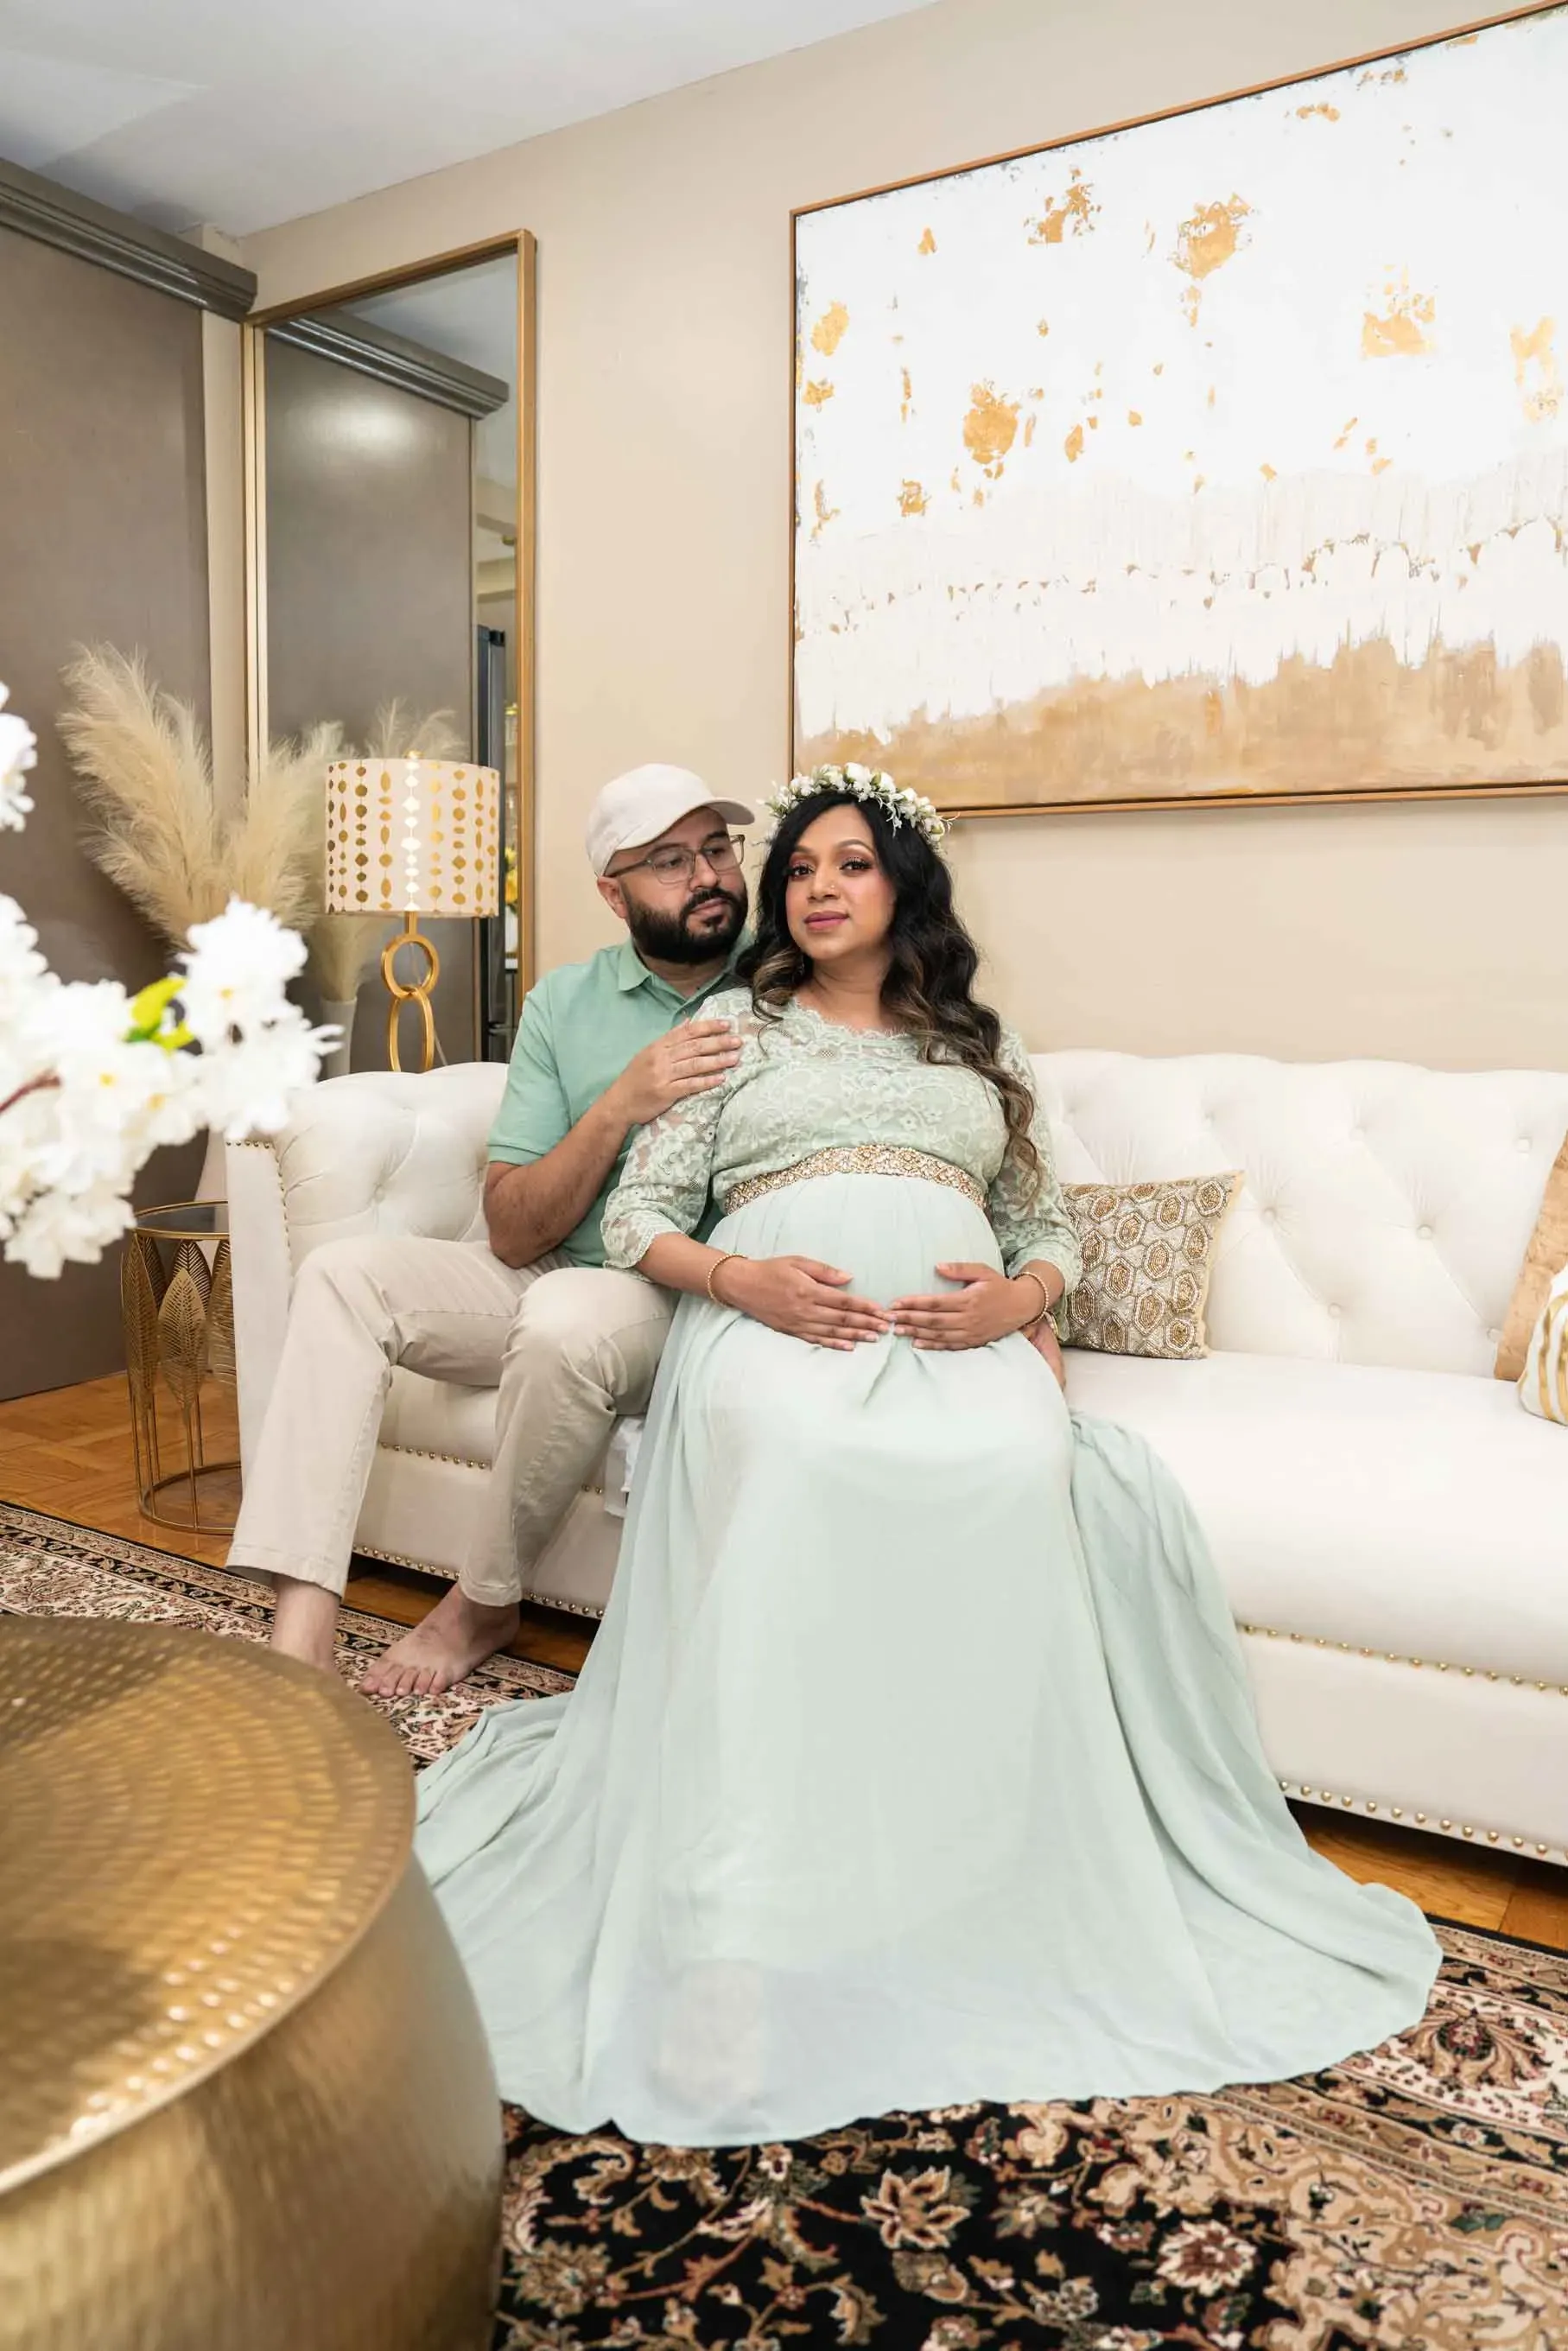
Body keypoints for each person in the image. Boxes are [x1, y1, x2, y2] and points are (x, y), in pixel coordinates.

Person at [414, 766, 1442, 2147]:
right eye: (799, 870)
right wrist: (740, 1281)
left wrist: (1013, 1306)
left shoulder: (977, 1047)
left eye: (849, 864)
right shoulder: (735, 1023)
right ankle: (749, 1888)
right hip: (777, 1333)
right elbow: (635, 1218)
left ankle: (967, 1839)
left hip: (959, 1343)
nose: (817, 888)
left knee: (1028, 1469)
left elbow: (1044, 1228)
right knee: (791, 1456)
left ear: (903, 885)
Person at [227, 763, 755, 1692]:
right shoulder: (565, 1004)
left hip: (674, 1289)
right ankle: (302, 1617)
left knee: (567, 1321)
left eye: (718, 848)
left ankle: (484, 1602)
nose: (707, 876)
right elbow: (511, 1233)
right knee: (343, 1275)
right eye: (670, 861)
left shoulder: (786, 985)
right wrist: (616, 1108)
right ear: (612, 891)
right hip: (546, 1263)